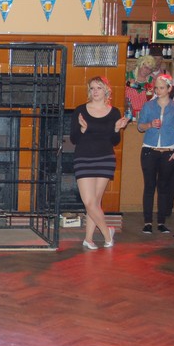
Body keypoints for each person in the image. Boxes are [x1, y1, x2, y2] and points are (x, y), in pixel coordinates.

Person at [70, 76, 128, 249]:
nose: (95, 91)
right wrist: (82, 129)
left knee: (95, 202)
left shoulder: (114, 112)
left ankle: (88, 239)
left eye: (99, 88)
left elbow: (115, 141)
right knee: (89, 202)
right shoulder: (80, 110)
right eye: (92, 88)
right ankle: (107, 233)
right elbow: (73, 139)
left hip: (105, 159)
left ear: (106, 90)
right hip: (83, 157)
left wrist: (116, 129)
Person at [137, 74, 174, 234]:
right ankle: (147, 222)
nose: (158, 91)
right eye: (156, 88)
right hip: (149, 150)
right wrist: (150, 124)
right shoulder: (148, 106)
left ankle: (161, 222)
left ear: (169, 88)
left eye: (161, 88)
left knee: (164, 188)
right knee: (149, 186)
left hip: (168, 152)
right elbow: (140, 127)